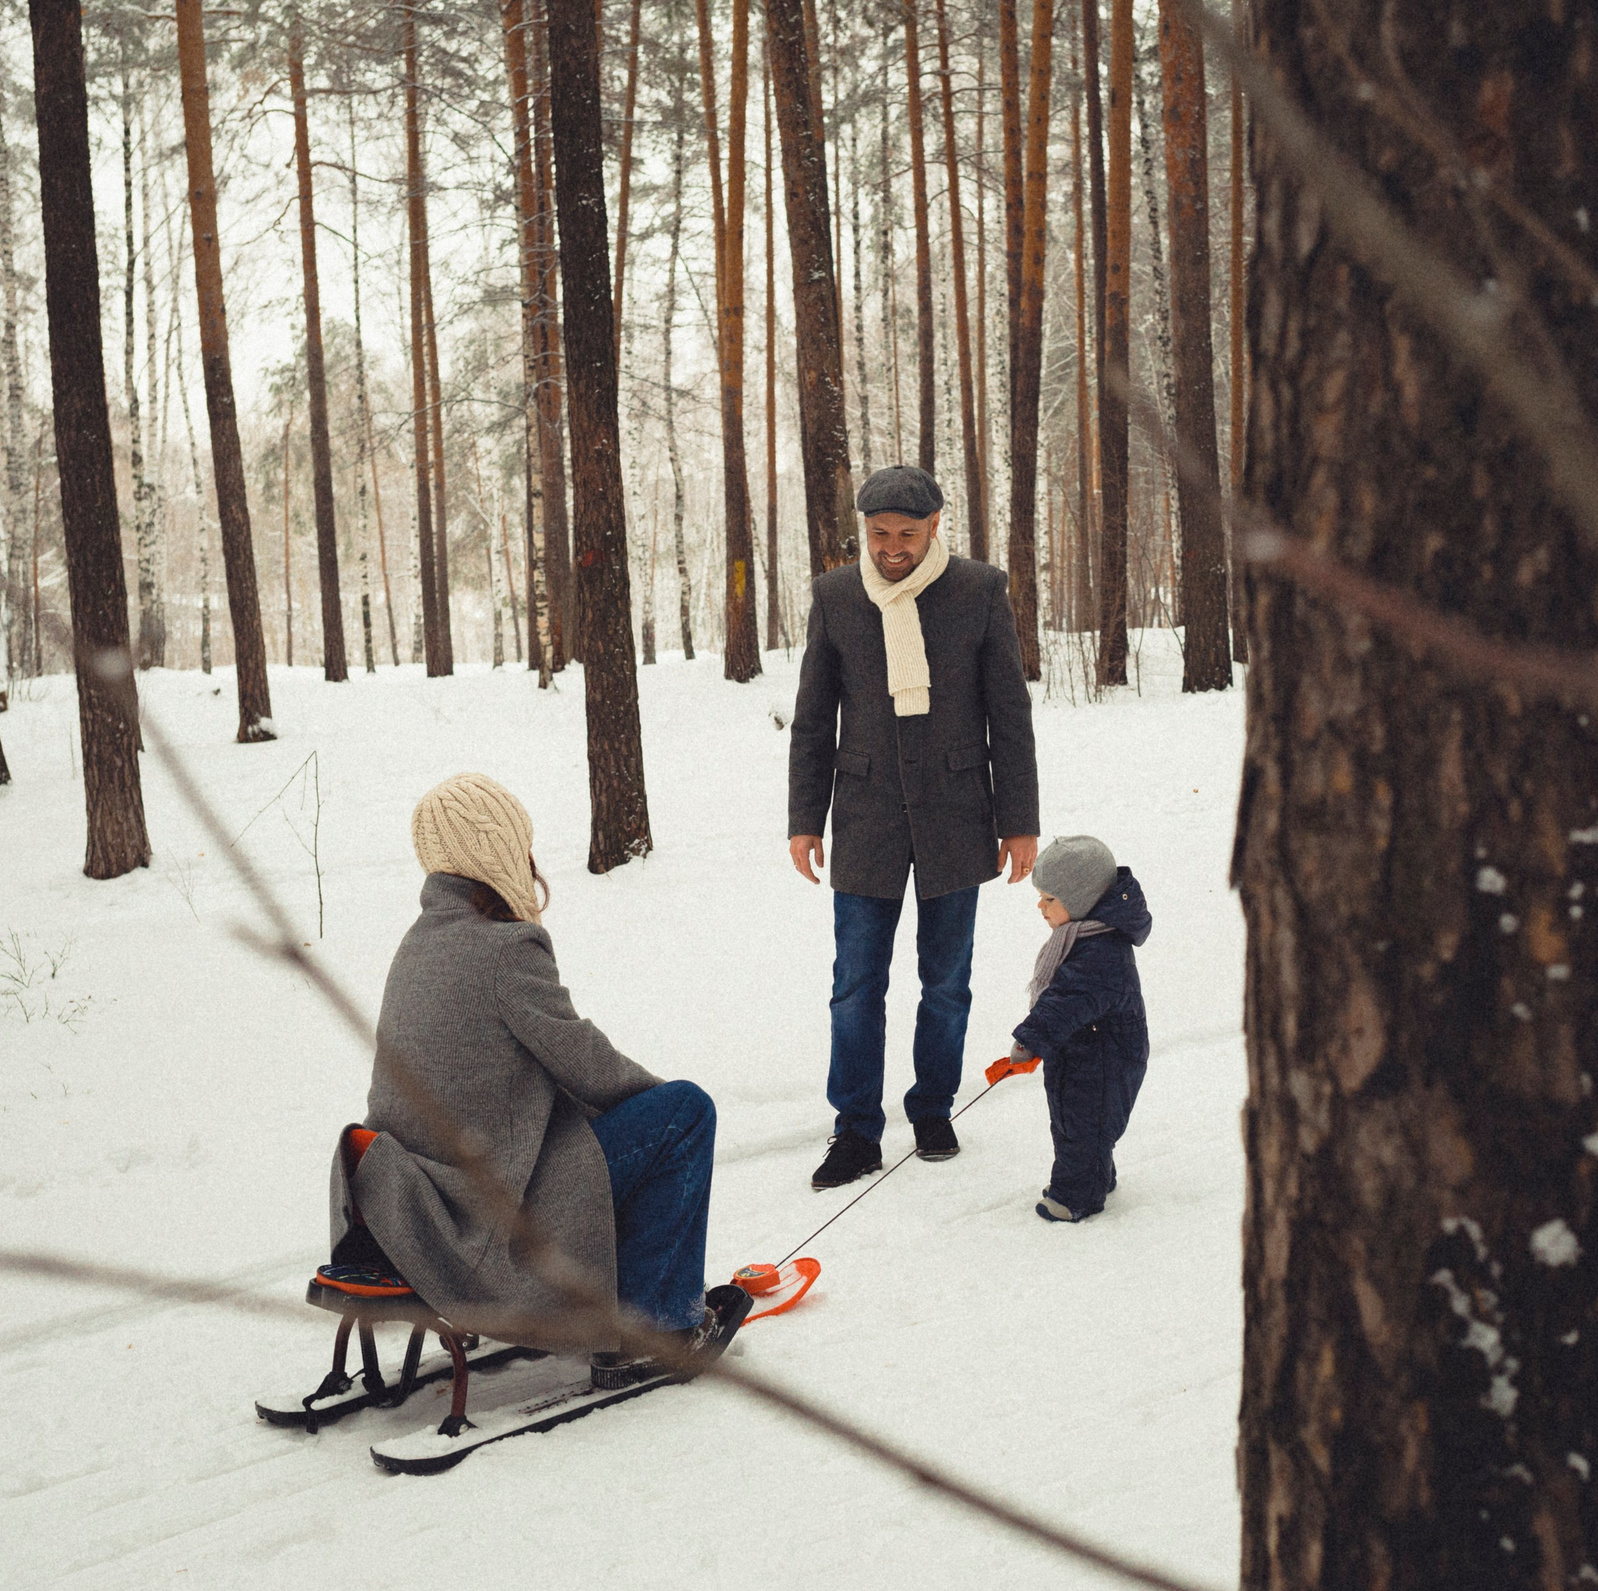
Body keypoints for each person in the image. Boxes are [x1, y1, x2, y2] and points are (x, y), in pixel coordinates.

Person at [331, 773, 747, 1389]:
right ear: (496, 850)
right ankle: (655, 1330)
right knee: (685, 1112)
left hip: (417, 1207)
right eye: (521, 844)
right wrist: (661, 1114)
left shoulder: (417, 946)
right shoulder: (507, 949)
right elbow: (591, 1069)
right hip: (480, 1221)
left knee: (632, 1127)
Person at [788, 465, 1041, 1189]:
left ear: (935, 525)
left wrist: (1019, 821)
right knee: (855, 984)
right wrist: (805, 819)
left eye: (905, 534)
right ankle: (855, 1129)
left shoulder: (979, 591)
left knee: (948, 980)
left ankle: (933, 1108)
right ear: (862, 529)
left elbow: (1009, 714)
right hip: (864, 814)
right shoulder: (837, 596)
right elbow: (813, 717)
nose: (891, 548)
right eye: (878, 534)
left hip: (957, 813)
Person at [984, 835, 1151, 1223]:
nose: (1040, 907)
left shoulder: (1101, 953)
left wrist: (1029, 1041)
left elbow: (1067, 1000)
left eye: (1050, 899)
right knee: (1078, 1124)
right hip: (1083, 1054)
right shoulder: (1085, 937)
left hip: (1104, 1062)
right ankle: (1095, 1175)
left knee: (1084, 1129)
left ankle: (1078, 1195)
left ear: (1081, 900)